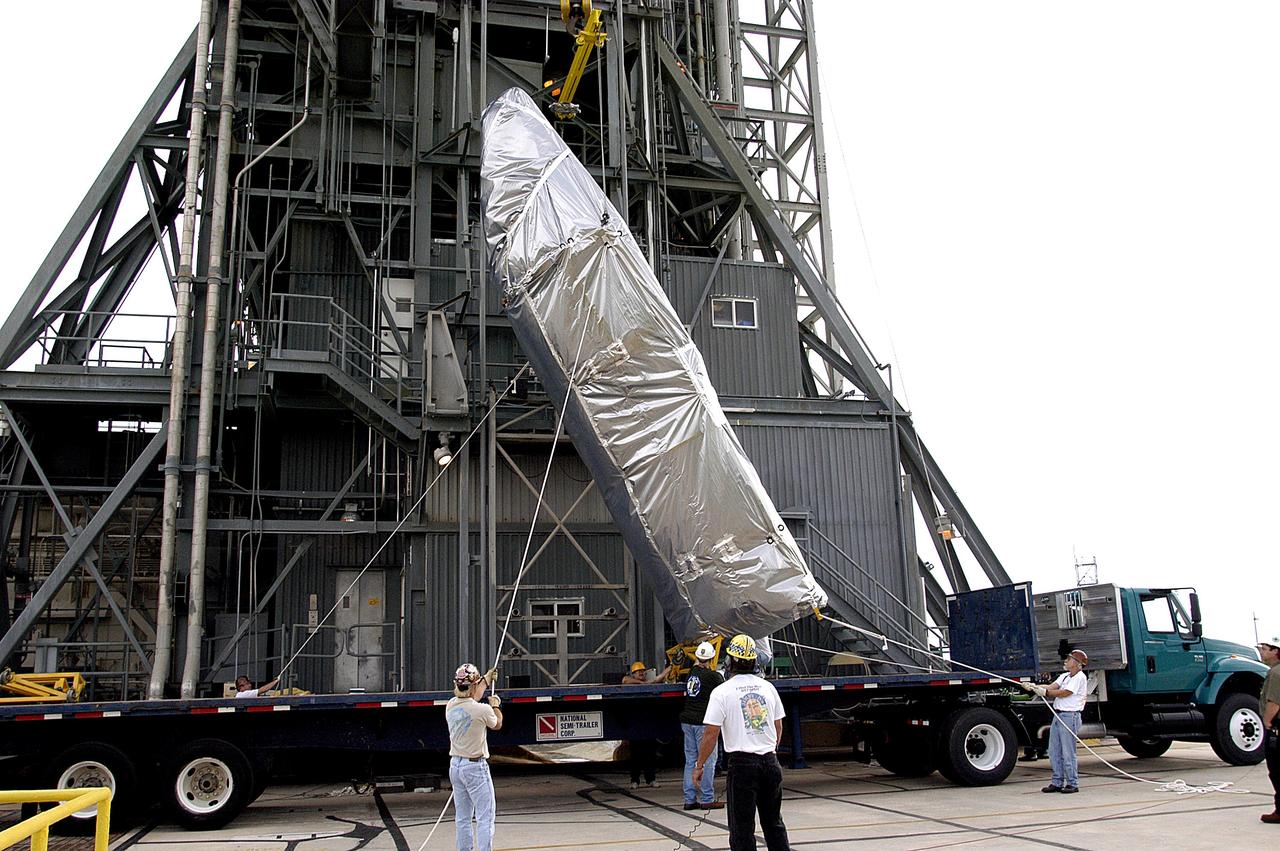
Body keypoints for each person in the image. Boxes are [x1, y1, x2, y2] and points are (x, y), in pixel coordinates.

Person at [693, 634, 790, 851]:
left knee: (742, 829)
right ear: (755, 661)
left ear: (729, 661)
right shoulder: (767, 688)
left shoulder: (722, 692)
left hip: (742, 765)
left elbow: (710, 734)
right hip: (769, 762)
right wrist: (771, 751)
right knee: (774, 823)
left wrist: (699, 765)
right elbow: (778, 725)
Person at [447, 663, 502, 851]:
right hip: (475, 768)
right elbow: (497, 725)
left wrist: (486, 679)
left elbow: (473, 697)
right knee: (485, 817)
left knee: (463, 818)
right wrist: (495, 706)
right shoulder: (483, 710)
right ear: (472, 685)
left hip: (455, 766)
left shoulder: (451, 705)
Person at [1023, 648, 1089, 794]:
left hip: (1070, 716)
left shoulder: (1080, 678)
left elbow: (1065, 693)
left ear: (1078, 664)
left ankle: (1072, 782)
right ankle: (1057, 781)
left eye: (1070, 659)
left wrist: (1046, 693)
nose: (1066, 661)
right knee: (1054, 750)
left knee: (1068, 751)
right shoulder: (1065, 676)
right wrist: (1034, 687)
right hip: (1058, 716)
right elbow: (1052, 687)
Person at [681, 641, 725, 811]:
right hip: (703, 722)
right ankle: (707, 798)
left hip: (687, 720)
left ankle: (689, 799)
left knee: (691, 760)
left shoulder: (692, 672)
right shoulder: (714, 677)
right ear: (712, 658)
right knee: (708, 760)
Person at [621, 660, 670, 788]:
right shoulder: (629, 683)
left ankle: (651, 779)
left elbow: (659, 678)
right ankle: (635, 780)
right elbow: (625, 680)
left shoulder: (650, 684)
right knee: (636, 754)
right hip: (635, 725)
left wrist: (670, 668)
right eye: (638, 672)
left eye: (642, 671)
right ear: (633, 674)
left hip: (647, 723)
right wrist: (644, 683)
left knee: (650, 753)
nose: (641, 673)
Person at [1257, 634, 1280, 825]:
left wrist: (1267, 721)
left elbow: (1274, 702)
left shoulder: (1276, 673)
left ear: (1275, 651)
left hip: (1277, 729)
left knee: (1277, 770)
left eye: (1265, 648)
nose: (1261, 651)